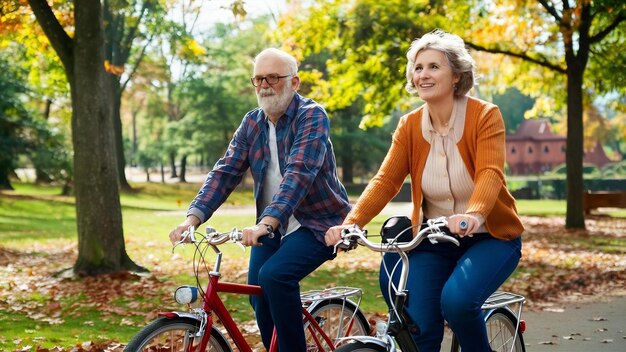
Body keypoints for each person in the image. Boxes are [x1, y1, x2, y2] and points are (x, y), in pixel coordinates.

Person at [325, 29, 523, 352]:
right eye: (418, 68)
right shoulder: (409, 126)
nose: (423, 74)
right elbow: (386, 180)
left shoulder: (485, 116)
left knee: (458, 302)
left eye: (434, 66)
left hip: (491, 236)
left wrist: (474, 214)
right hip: (433, 239)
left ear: (457, 75)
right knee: (418, 327)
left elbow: (490, 173)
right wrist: (352, 222)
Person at [169, 48, 351, 351]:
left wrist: (267, 222)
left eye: (274, 78)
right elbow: (225, 172)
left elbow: (299, 174)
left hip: (317, 222)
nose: (265, 85)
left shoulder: (311, 116)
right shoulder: (252, 123)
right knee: (258, 294)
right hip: (272, 226)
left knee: (275, 276)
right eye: (259, 79)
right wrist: (193, 218)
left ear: (295, 82)